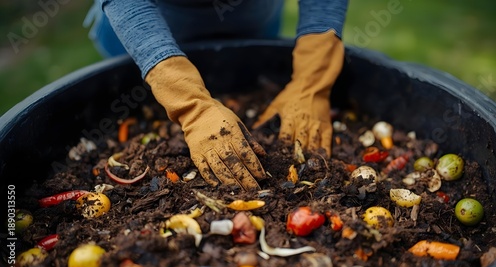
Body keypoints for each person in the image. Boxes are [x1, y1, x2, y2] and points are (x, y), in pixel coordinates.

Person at [85, 0, 348, 191]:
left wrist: (311, 80)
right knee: (131, 96)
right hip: (149, 26)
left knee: (249, 74)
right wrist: (192, 106)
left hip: (251, 15)